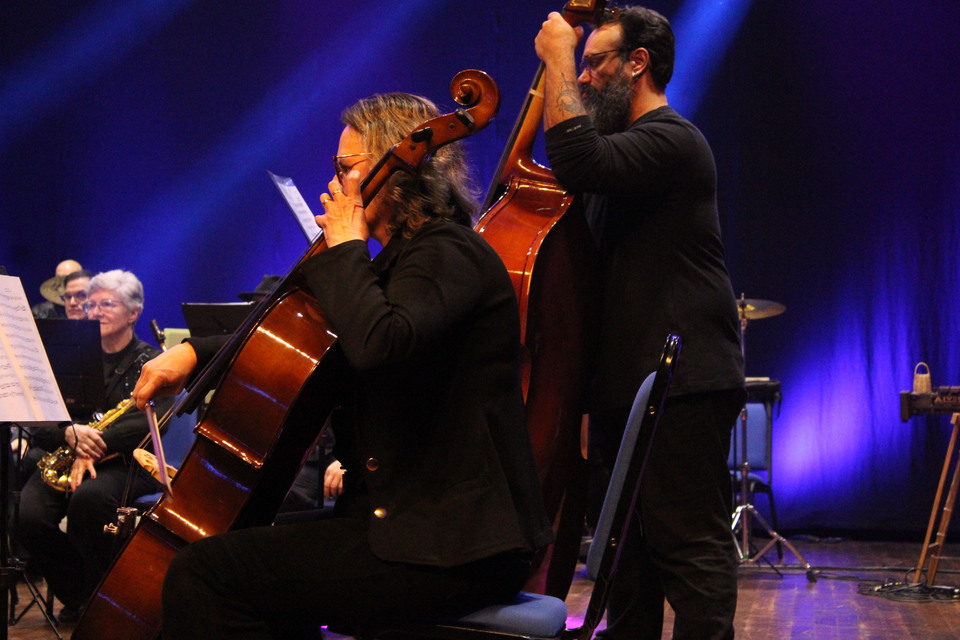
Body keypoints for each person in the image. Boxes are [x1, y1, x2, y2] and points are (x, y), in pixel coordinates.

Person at [131, 92, 554, 639]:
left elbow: (380, 344)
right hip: (404, 526)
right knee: (237, 555)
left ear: (396, 171)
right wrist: (195, 352)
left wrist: (347, 248)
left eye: (346, 169)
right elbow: (310, 336)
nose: (333, 186)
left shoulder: (449, 252)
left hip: (454, 544)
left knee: (206, 574)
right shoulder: (399, 263)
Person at [535, 6, 745, 640]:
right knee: (626, 564)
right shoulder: (619, 162)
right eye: (584, 63)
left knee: (689, 549)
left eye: (596, 62)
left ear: (637, 64)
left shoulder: (672, 140)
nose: (588, 78)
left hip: (682, 382)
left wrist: (555, 61)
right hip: (629, 387)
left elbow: (577, 157)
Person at [18, 269, 170, 623]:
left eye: (107, 304)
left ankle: (108, 600)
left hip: (126, 462)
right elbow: (44, 413)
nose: (95, 311)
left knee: (89, 502)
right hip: (68, 454)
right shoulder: (70, 355)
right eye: (91, 304)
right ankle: (82, 594)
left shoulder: (151, 360)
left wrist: (91, 443)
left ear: (133, 312)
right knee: (29, 516)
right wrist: (70, 433)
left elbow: (153, 419)